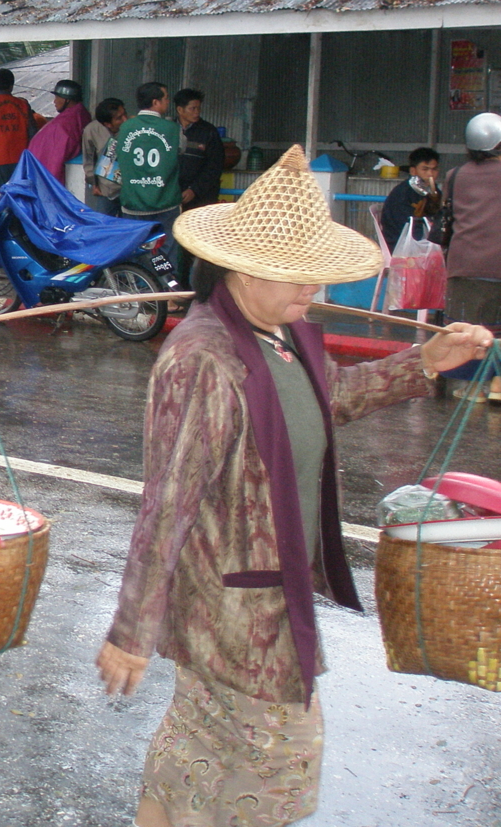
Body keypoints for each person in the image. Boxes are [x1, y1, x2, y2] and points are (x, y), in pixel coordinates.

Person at [96, 145, 494, 827]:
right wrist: (132, 629)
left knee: (200, 754)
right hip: (237, 616)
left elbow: (330, 398)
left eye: (317, 275)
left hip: (259, 596)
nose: (314, 289)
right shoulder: (204, 358)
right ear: (241, 268)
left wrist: (425, 359)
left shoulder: (286, 334)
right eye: (298, 275)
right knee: (271, 775)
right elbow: (170, 503)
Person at [440, 113, 501, 403]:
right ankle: (498, 384)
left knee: (466, 328)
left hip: (464, 264)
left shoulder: (455, 176)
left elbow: (448, 216)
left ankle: (470, 386)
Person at [118, 82, 181, 259]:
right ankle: (167, 285)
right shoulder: (173, 129)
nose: (168, 102)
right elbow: (180, 150)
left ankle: (140, 284)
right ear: (156, 102)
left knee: (136, 251)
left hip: (133, 204)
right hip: (165, 202)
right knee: (166, 251)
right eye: (166, 98)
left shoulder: (125, 128)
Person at [26, 79, 91, 182]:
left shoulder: (63, 124)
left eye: (57, 97)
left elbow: (54, 160)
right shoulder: (81, 115)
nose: (54, 101)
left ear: (67, 99)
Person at [379, 145, 442, 250]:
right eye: (425, 169)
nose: (430, 174)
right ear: (413, 171)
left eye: (434, 169)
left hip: (421, 241)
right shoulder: (403, 194)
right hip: (399, 245)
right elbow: (404, 228)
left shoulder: (433, 190)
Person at [175, 87, 225, 212]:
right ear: (180, 110)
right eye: (192, 108)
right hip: (173, 196)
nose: (197, 112)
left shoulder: (208, 131)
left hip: (202, 198)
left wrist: (194, 189)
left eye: (198, 108)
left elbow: (215, 166)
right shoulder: (168, 130)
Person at [81, 97, 126, 216]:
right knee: (104, 225)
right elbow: (88, 158)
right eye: (119, 118)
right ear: (107, 124)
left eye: (124, 114)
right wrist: (93, 183)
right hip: (105, 189)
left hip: (128, 190)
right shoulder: (92, 130)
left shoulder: (131, 128)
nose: (124, 119)